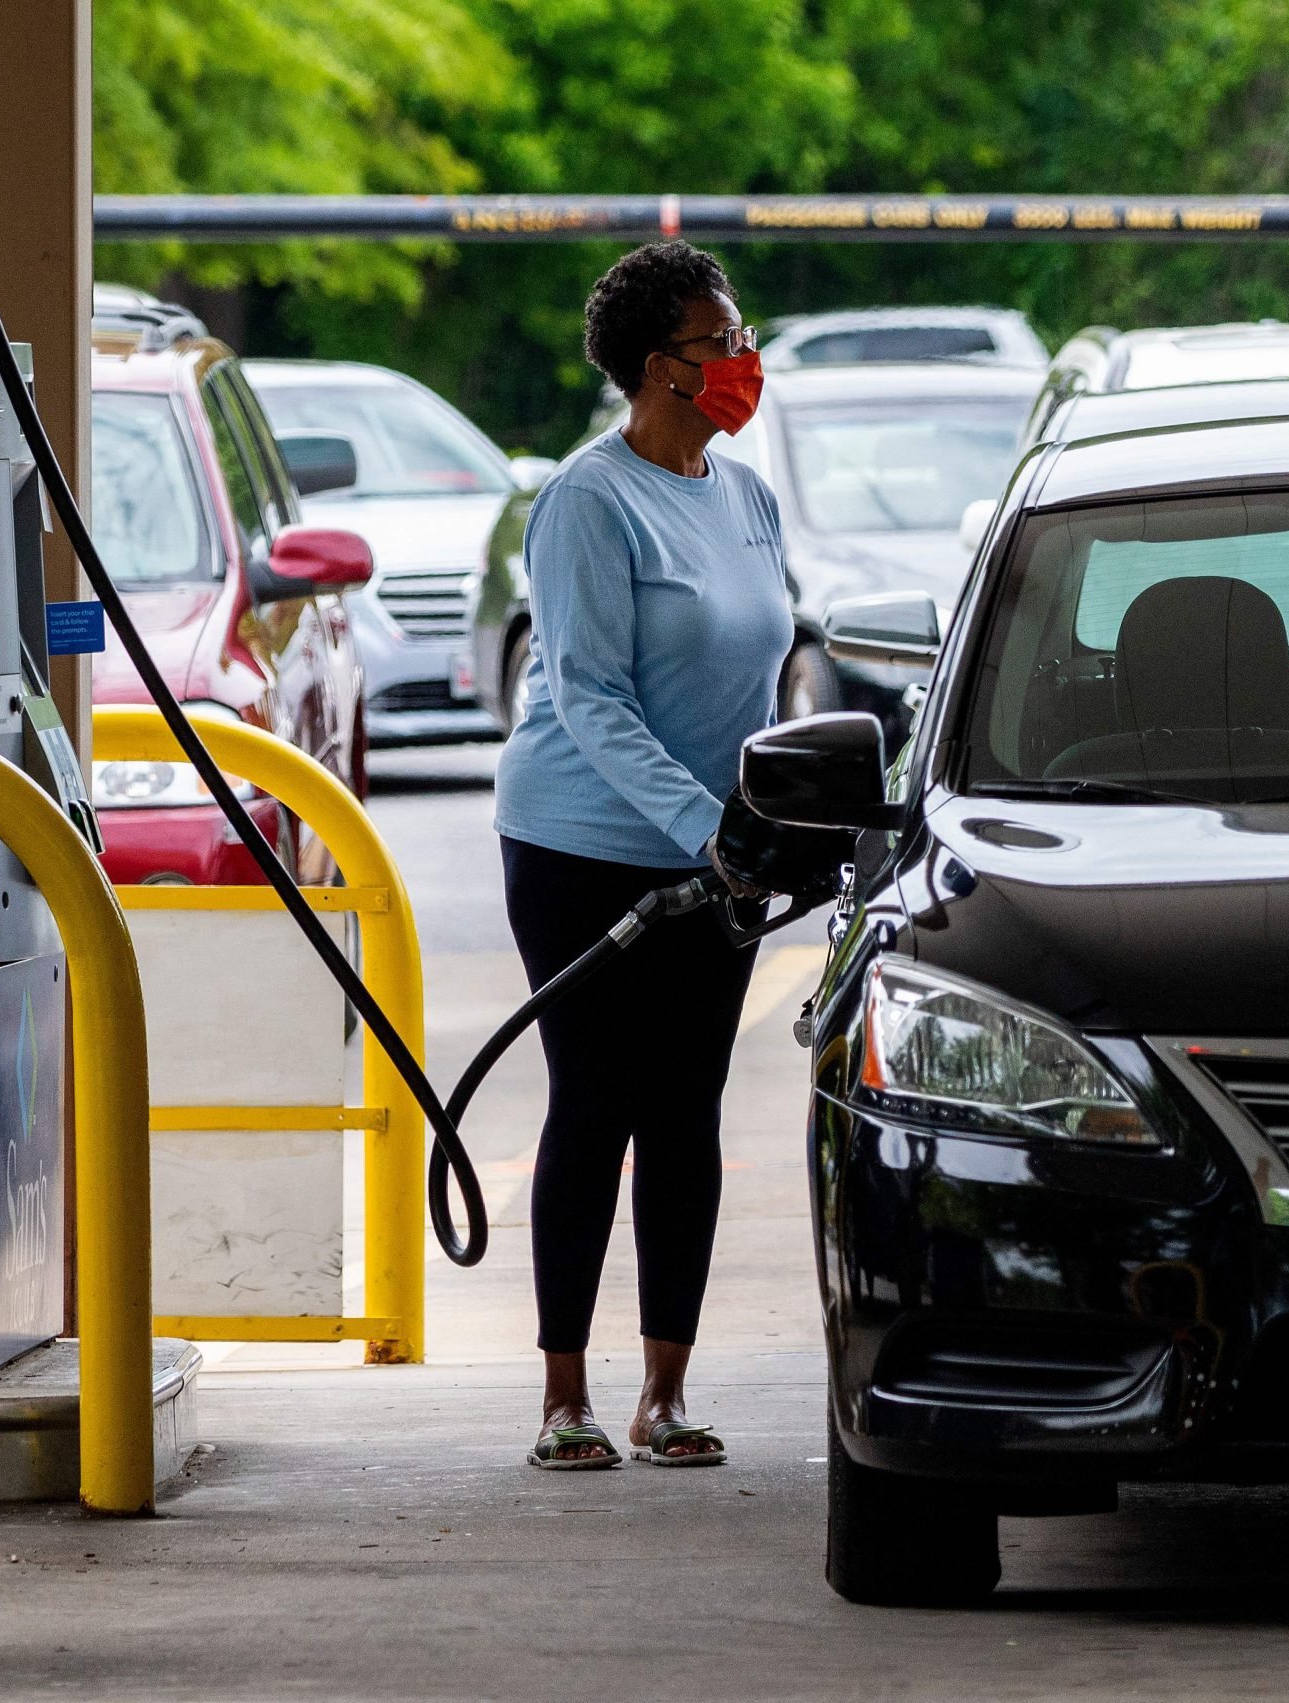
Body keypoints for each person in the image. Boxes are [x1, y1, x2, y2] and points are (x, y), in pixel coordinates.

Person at [493, 241, 788, 1469]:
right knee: (596, 1104)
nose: (741, 359)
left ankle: (663, 1393)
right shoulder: (587, 500)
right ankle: (563, 1394)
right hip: (581, 845)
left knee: (687, 1115)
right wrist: (704, 830)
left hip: (720, 856)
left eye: (737, 335)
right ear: (659, 366)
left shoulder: (745, 494)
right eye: (720, 341)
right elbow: (591, 696)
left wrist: (781, 815)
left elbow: (767, 674)